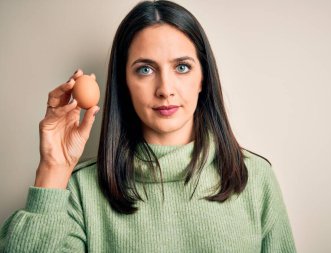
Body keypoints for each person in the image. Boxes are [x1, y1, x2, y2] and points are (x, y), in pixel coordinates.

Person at [0, 0, 297, 252]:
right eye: (145, 69)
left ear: (202, 78)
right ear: (124, 84)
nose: (165, 88)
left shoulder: (254, 179)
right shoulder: (81, 190)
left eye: (182, 67)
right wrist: (53, 167)